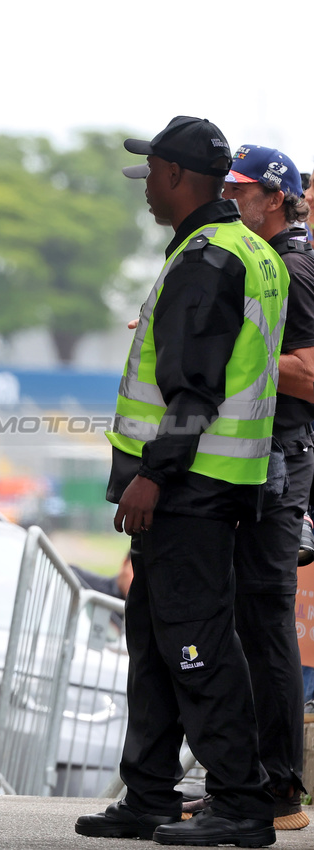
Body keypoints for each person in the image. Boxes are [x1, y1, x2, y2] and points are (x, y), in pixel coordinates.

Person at [76, 116, 285, 847]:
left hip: (188, 487)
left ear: (175, 176)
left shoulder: (207, 259)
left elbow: (190, 393)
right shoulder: (247, 250)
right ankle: (148, 794)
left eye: (152, 174)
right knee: (158, 644)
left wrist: (151, 480)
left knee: (196, 646)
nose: (146, 190)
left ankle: (239, 803)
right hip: (211, 484)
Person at [206, 143, 314, 831]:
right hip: (257, 459)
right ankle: (249, 786)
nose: (226, 200)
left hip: (280, 459)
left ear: (274, 197)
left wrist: (219, 348)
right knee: (246, 624)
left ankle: (279, 795)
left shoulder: (296, 269)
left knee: (265, 624)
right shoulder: (262, 260)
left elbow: (306, 372)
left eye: (238, 191)